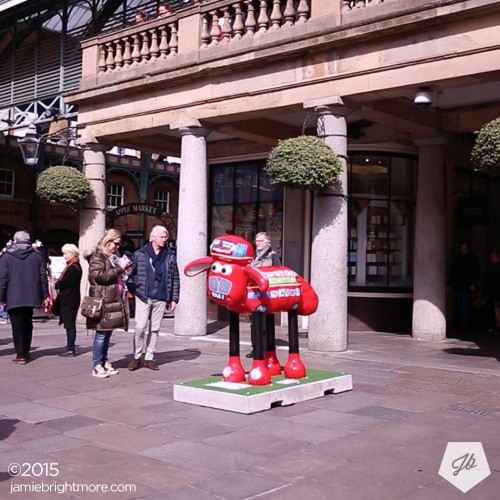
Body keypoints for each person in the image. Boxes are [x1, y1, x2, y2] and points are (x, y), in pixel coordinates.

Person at [127, 225, 179, 371]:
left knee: (155, 329)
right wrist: (135, 288)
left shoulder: (170, 255)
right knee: (140, 327)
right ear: (153, 237)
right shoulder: (140, 254)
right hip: (144, 296)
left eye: (166, 237)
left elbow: (175, 277)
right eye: (162, 237)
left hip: (161, 296)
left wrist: (174, 298)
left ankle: (149, 357)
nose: (165, 239)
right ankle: (137, 356)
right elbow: (129, 275)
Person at [84, 229, 131, 378]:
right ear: (108, 241)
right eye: (116, 243)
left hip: (113, 298)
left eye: (119, 244)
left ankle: (103, 361)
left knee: (107, 333)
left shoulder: (112, 256)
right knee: (101, 334)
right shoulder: (98, 256)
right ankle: (97, 365)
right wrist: (119, 269)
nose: (117, 247)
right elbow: (99, 277)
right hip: (103, 299)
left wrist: (125, 271)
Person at [0, 230, 49, 364]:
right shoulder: (37, 256)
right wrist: (44, 295)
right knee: (27, 323)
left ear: (15, 241)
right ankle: (26, 351)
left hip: (13, 295)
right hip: (31, 296)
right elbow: (42, 277)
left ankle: (20, 354)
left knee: (17, 325)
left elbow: (2, 279)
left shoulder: (6, 257)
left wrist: (1, 296)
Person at [246, 232, 281, 358]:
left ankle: (265, 349)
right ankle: (255, 348)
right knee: (254, 322)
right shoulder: (251, 256)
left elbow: (277, 274)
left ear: (267, 243)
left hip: (266, 295)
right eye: (256, 241)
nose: (257, 243)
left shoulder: (273, 257)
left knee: (265, 323)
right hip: (253, 294)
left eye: (260, 241)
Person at [54, 244, 82, 356]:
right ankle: (70, 346)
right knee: (69, 323)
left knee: (70, 324)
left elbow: (63, 283)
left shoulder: (72, 268)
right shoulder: (75, 265)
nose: (64, 256)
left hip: (69, 299)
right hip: (72, 297)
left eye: (66, 253)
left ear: (73, 253)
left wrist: (58, 283)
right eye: (64, 253)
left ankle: (71, 348)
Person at [447, 242, 479, 332]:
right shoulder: (458, 258)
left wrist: (473, 283)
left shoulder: (472, 258)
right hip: (459, 285)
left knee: (465, 305)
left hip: (467, 285)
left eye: (465, 247)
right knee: (460, 305)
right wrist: (449, 282)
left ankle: (465, 324)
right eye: (462, 248)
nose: (464, 249)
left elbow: (475, 271)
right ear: (460, 249)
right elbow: (454, 270)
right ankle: (462, 323)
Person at [481, 250, 500, 334]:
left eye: (494, 257)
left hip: (497, 292)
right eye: (491, 257)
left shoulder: (498, 267)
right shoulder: (490, 267)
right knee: (490, 309)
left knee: (497, 309)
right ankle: (492, 326)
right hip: (490, 292)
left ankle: (498, 327)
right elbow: (486, 280)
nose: (492, 259)